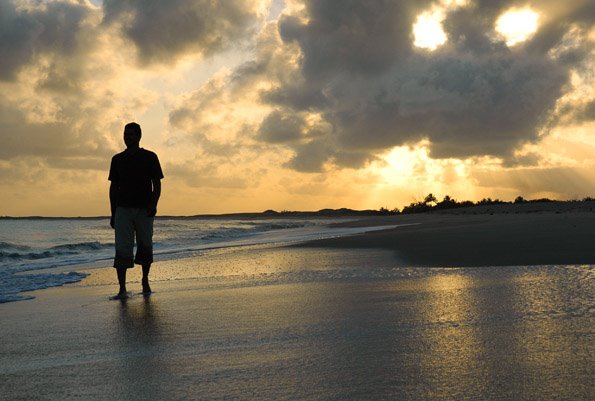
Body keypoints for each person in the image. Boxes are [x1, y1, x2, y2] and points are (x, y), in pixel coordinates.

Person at [108, 122, 164, 299]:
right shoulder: (117, 159)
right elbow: (113, 187)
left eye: (131, 134)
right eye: (125, 134)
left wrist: (154, 204)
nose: (127, 137)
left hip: (144, 209)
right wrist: (113, 213)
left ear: (139, 137)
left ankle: (145, 280)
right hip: (122, 209)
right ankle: (122, 288)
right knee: (122, 249)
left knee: (145, 246)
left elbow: (157, 184)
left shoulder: (150, 157)